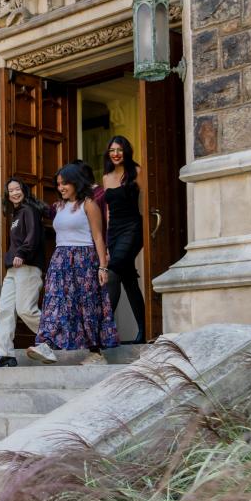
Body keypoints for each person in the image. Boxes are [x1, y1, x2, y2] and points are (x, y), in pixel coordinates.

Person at [28, 162, 116, 365]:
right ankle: (47, 345)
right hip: (60, 260)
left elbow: (98, 237)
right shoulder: (59, 206)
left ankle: (96, 353)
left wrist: (103, 267)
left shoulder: (89, 204)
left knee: (87, 305)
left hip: (84, 259)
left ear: (76, 183)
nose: (61, 188)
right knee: (54, 302)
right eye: (58, 184)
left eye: (65, 183)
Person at [0, 178, 49, 367]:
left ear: (24, 190)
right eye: (11, 190)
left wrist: (22, 253)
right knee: (4, 311)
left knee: (25, 309)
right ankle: (5, 353)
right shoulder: (15, 215)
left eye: (18, 189)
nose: (14, 193)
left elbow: (33, 236)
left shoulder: (29, 210)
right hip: (13, 270)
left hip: (28, 267)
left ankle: (52, 336)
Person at [97, 135, 147, 345]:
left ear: (126, 151)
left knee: (114, 273)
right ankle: (144, 330)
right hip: (116, 231)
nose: (116, 154)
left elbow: (145, 201)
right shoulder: (107, 177)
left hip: (134, 227)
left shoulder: (137, 171)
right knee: (129, 282)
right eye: (112, 150)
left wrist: (147, 229)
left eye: (119, 149)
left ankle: (102, 330)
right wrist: (107, 244)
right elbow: (108, 213)